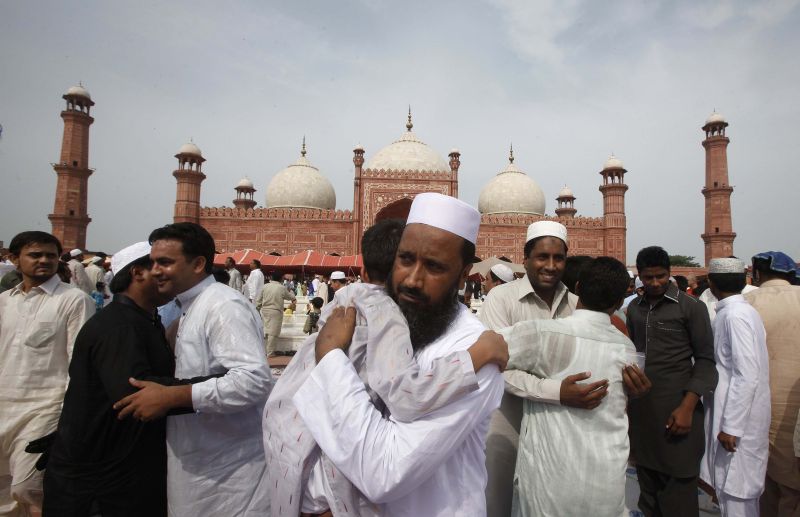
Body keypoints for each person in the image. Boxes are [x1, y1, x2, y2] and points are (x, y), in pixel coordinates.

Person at [264, 217, 507, 516]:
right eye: (406, 260)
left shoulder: (466, 341)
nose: (413, 280)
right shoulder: (382, 315)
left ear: (462, 275)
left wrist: (331, 357)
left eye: (434, 267)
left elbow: (383, 472)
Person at [111, 223, 273, 516]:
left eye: (166, 262)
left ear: (198, 263)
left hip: (231, 470)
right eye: (153, 262)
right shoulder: (192, 307)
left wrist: (172, 397)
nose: (156, 270)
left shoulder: (223, 305)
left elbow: (253, 380)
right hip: (202, 460)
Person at [500, 256, 646, 516]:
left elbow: (487, 358)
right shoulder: (626, 347)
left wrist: (551, 391)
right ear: (619, 301)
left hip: (552, 482)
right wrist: (556, 391)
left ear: (576, 288)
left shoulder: (542, 334)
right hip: (606, 479)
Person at [42, 242, 178, 516]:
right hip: (100, 482)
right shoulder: (121, 326)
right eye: (162, 266)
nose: (172, 274)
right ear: (138, 273)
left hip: (116, 469)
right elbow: (135, 397)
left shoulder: (142, 321)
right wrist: (216, 387)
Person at [480, 221, 604, 516]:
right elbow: (499, 365)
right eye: (542, 257)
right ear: (525, 258)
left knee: (551, 504)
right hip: (507, 419)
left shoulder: (577, 306)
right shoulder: (502, 299)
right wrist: (557, 391)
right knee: (497, 501)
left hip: (560, 425)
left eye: (558, 258)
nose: (550, 266)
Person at [0, 231, 94, 515]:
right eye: (35, 255)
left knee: (30, 488)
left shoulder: (73, 300)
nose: (44, 261)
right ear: (14, 259)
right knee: (5, 494)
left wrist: (71, 415)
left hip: (45, 407)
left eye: (51, 255)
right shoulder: (5, 301)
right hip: (4, 404)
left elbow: (80, 363)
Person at [627, 246, 717, 516]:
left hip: (678, 411)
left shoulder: (691, 307)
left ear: (670, 273)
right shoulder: (635, 308)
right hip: (644, 415)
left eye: (661, 276)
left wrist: (688, 407)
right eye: (649, 278)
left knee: (678, 496)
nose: (655, 283)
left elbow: (705, 361)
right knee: (648, 496)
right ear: (640, 276)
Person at [699, 258, 770, 517]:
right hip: (736, 416)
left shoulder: (735, 316)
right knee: (732, 493)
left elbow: (747, 374)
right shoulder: (739, 311)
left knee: (737, 495)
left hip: (737, 425)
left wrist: (732, 427)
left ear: (711, 282)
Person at [744, 251, 800, 516]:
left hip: (760, 404)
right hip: (795, 409)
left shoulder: (747, 303)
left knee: (765, 480)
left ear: (756, 274)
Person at [256, 270, 296, 357]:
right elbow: (290, 297)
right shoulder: (281, 288)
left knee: (266, 331)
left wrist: (257, 309)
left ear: (271, 278)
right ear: (281, 278)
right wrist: (293, 296)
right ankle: (270, 352)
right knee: (273, 332)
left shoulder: (265, 286)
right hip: (276, 311)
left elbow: (258, 300)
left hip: (265, 311)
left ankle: (264, 351)